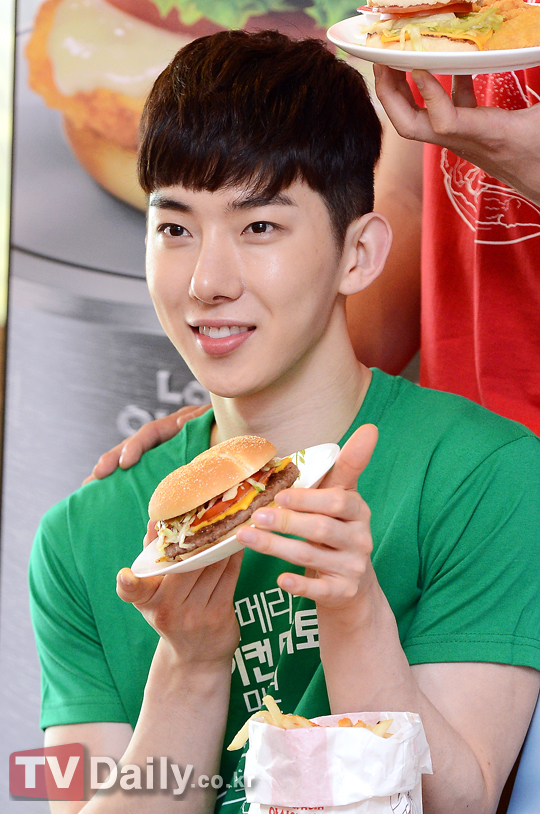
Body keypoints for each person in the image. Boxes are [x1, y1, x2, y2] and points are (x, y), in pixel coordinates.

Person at [30, 30, 540, 814]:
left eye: (259, 227)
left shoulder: (487, 476)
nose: (207, 282)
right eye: (175, 228)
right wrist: (191, 667)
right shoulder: (80, 536)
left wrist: (355, 616)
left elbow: (461, 802)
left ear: (359, 254)